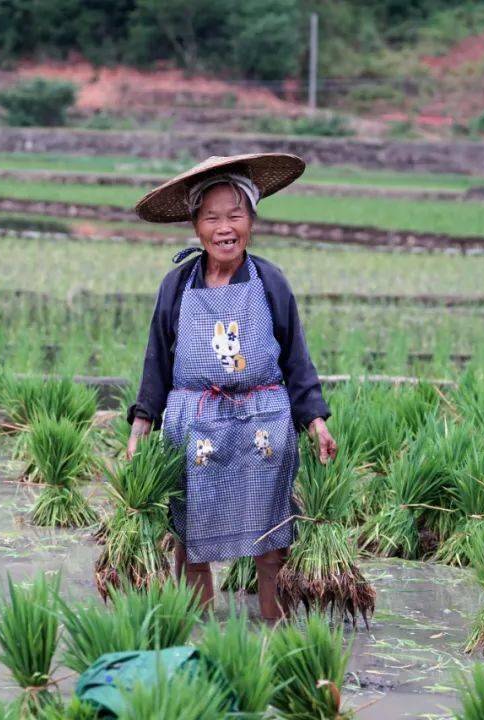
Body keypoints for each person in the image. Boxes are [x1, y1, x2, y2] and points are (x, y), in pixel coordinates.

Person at [125, 153, 337, 622]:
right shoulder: (178, 284)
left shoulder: (270, 282)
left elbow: (296, 359)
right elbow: (157, 360)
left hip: (262, 423)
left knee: (272, 536)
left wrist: (317, 422)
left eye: (235, 215)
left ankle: (273, 631)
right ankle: (196, 635)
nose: (225, 227)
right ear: (196, 225)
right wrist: (141, 427)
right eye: (212, 217)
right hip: (194, 423)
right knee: (191, 539)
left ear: (252, 222)